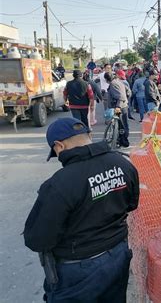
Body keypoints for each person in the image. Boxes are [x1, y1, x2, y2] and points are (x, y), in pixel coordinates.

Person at [23, 117, 139, 302]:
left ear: (59, 146)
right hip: (118, 254)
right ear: (89, 135)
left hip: (78, 270)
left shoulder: (59, 184)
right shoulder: (123, 163)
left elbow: (38, 240)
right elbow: (132, 204)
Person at [105, 72, 130, 147]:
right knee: (124, 125)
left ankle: (123, 141)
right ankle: (121, 140)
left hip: (119, 107)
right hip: (123, 105)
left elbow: (120, 96)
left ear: (106, 79)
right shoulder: (119, 81)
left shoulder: (113, 84)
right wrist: (126, 100)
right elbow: (128, 92)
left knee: (121, 126)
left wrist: (118, 106)